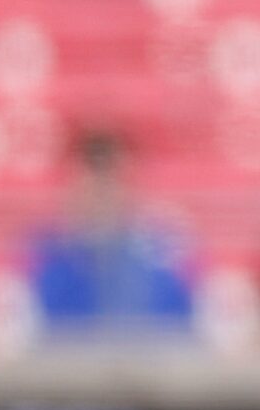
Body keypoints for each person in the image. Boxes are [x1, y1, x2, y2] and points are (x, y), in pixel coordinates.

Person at [24, 129, 196, 336]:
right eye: (94, 178)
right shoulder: (44, 249)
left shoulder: (163, 249)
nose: (102, 191)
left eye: (111, 179)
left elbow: (182, 326)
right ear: (75, 182)